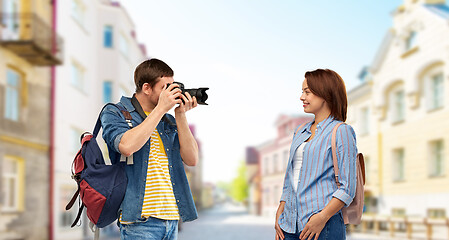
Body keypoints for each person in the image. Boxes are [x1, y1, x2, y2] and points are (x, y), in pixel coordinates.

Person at [101, 58, 199, 240]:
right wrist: (161, 109)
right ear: (146, 88)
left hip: (171, 220)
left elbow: (192, 159)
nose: (171, 93)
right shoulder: (116, 112)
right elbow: (127, 146)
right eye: (166, 87)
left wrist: (180, 115)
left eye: (173, 86)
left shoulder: (167, 121)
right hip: (140, 222)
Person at [274, 69, 358, 240]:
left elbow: (347, 187)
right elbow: (291, 177)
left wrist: (322, 217)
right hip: (288, 225)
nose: (301, 97)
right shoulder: (300, 131)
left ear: (325, 93)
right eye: (302, 92)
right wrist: (281, 209)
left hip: (322, 226)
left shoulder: (341, 131)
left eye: (307, 92)